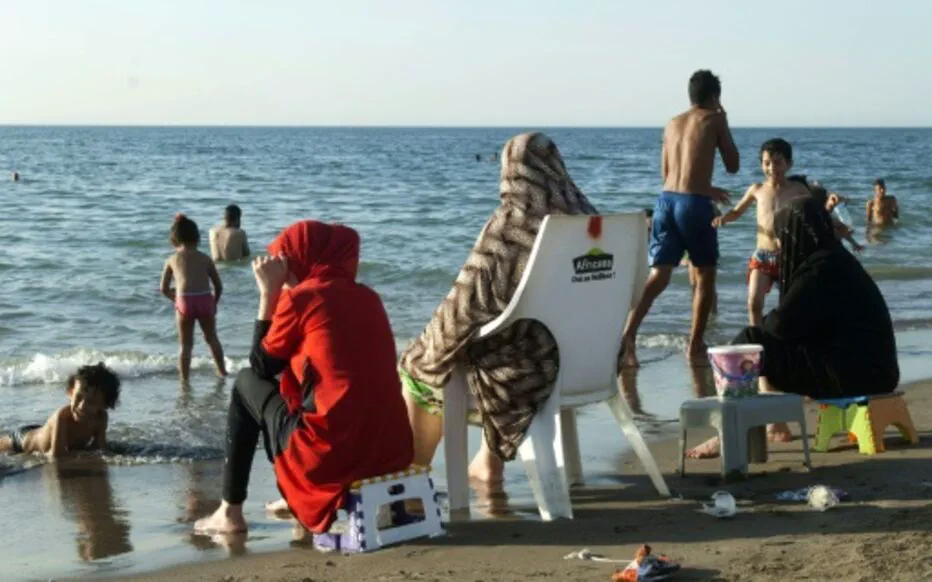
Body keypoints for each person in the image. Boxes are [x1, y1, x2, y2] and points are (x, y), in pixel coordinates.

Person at [398, 132, 598, 484]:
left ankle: (412, 483)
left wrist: (426, 350)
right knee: (508, 329)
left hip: (525, 373)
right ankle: (487, 463)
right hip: (585, 361)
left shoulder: (513, 226)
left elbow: (464, 307)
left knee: (419, 369)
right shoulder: (589, 223)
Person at [194, 220, 413, 534]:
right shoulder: (369, 297)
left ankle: (230, 512)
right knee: (311, 388)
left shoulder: (304, 298)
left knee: (245, 384)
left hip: (331, 456)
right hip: (391, 451)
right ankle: (296, 496)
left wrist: (268, 295)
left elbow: (261, 368)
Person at [687, 196, 898, 458]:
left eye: (781, 237)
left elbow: (779, 327)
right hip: (876, 371)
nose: (778, 246)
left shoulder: (819, 269)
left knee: (750, 340)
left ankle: (730, 432)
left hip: (859, 375)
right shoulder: (835, 259)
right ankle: (748, 426)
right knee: (764, 340)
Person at [622, 69, 739, 367]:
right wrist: (723, 118)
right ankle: (694, 345)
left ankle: (628, 335)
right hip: (693, 207)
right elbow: (733, 164)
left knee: (658, 276)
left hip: (665, 201)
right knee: (704, 275)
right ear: (714, 97)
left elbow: (667, 174)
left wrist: (701, 185)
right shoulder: (715, 118)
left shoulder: (672, 123)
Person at [713, 139, 810, 326]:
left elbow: (815, 215)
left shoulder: (799, 190)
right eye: (766, 163)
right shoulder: (757, 190)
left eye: (777, 162)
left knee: (788, 307)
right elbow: (737, 212)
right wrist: (723, 219)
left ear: (789, 164)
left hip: (789, 256)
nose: (772, 168)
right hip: (762, 255)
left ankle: (785, 343)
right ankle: (756, 339)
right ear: (761, 165)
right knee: (754, 303)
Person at [0, 363, 120, 458]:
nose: (82, 406)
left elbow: (100, 448)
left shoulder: (101, 418)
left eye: (91, 402)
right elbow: (56, 456)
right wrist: (82, 455)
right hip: (21, 441)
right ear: (70, 393)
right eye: (78, 398)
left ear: (105, 404)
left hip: (41, 430)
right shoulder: (62, 417)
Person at [160, 214, 227, 381]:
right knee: (212, 338)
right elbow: (218, 286)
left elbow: (163, 288)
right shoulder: (205, 258)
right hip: (205, 300)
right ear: (197, 237)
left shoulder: (171, 259)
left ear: (174, 239)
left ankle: (184, 380)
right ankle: (223, 372)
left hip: (184, 301)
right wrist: (214, 303)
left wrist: (175, 299)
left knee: (186, 345)